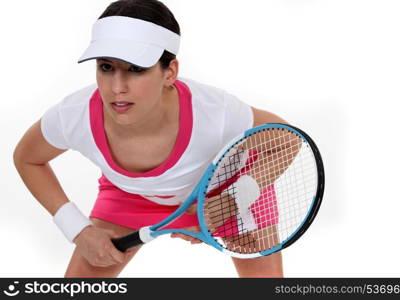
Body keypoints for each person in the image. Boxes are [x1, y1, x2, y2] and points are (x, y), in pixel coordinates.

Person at [13, 0, 287, 278]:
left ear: (170, 72)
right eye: (106, 67)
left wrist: (235, 198)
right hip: (130, 195)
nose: (117, 88)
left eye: (136, 69)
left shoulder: (216, 112)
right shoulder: (74, 115)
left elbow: (287, 139)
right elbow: (27, 159)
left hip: (221, 191)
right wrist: (78, 231)